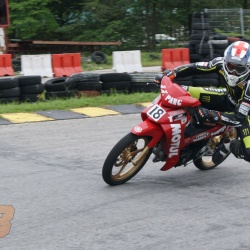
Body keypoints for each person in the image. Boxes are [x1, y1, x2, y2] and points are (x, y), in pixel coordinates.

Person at [154, 40, 250, 164]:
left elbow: (239, 118)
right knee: (180, 90)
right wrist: (171, 74)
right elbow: (195, 67)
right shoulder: (220, 63)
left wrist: (211, 114)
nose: (233, 73)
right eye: (231, 66)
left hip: (245, 115)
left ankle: (230, 144)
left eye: (239, 69)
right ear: (226, 62)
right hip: (227, 98)